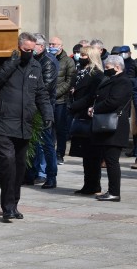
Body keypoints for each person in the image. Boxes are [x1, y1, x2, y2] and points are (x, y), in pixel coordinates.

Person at [0, 32, 53, 222]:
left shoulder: (35, 66)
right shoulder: (3, 61)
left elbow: (40, 93)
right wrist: (11, 63)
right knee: (7, 162)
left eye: (32, 51)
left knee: (19, 166)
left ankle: (14, 204)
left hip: (24, 124)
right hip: (1, 121)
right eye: (26, 50)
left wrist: (47, 114)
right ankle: (7, 207)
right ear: (17, 47)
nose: (29, 54)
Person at [90, 55, 132, 201]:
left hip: (116, 126)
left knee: (112, 160)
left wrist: (95, 108)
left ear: (117, 67)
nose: (106, 70)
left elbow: (113, 101)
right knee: (109, 159)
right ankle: (112, 191)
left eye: (108, 68)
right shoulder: (113, 80)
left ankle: (114, 192)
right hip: (108, 125)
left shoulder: (123, 82)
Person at [68, 46, 104, 194]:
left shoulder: (96, 74)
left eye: (83, 55)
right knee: (85, 154)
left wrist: (75, 105)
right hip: (79, 114)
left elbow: (91, 96)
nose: (80, 57)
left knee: (93, 154)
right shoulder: (80, 72)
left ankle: (94, 184)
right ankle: (87, 184)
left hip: (88, 116)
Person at [28, 33, 58, 188]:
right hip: (32, 106)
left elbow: (45, 87)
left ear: (41, 46)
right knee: (33, 143)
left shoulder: (48, 62)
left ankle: (51, 176)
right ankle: (31, 173)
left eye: (34, 46)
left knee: (46, 143)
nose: (31, 49)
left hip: (44, 107)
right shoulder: (33, 60)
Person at [49, 36, 77, 165]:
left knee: (60, 129)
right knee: (49, 128)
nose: (52, 46)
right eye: (50, 44)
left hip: (61, 101)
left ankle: (60, 153)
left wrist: (55, 93)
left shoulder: (68, 61)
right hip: (48, 100)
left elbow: (69, 81)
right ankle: (49, 152)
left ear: (61, 45)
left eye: (54, 44)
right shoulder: (47, 59)